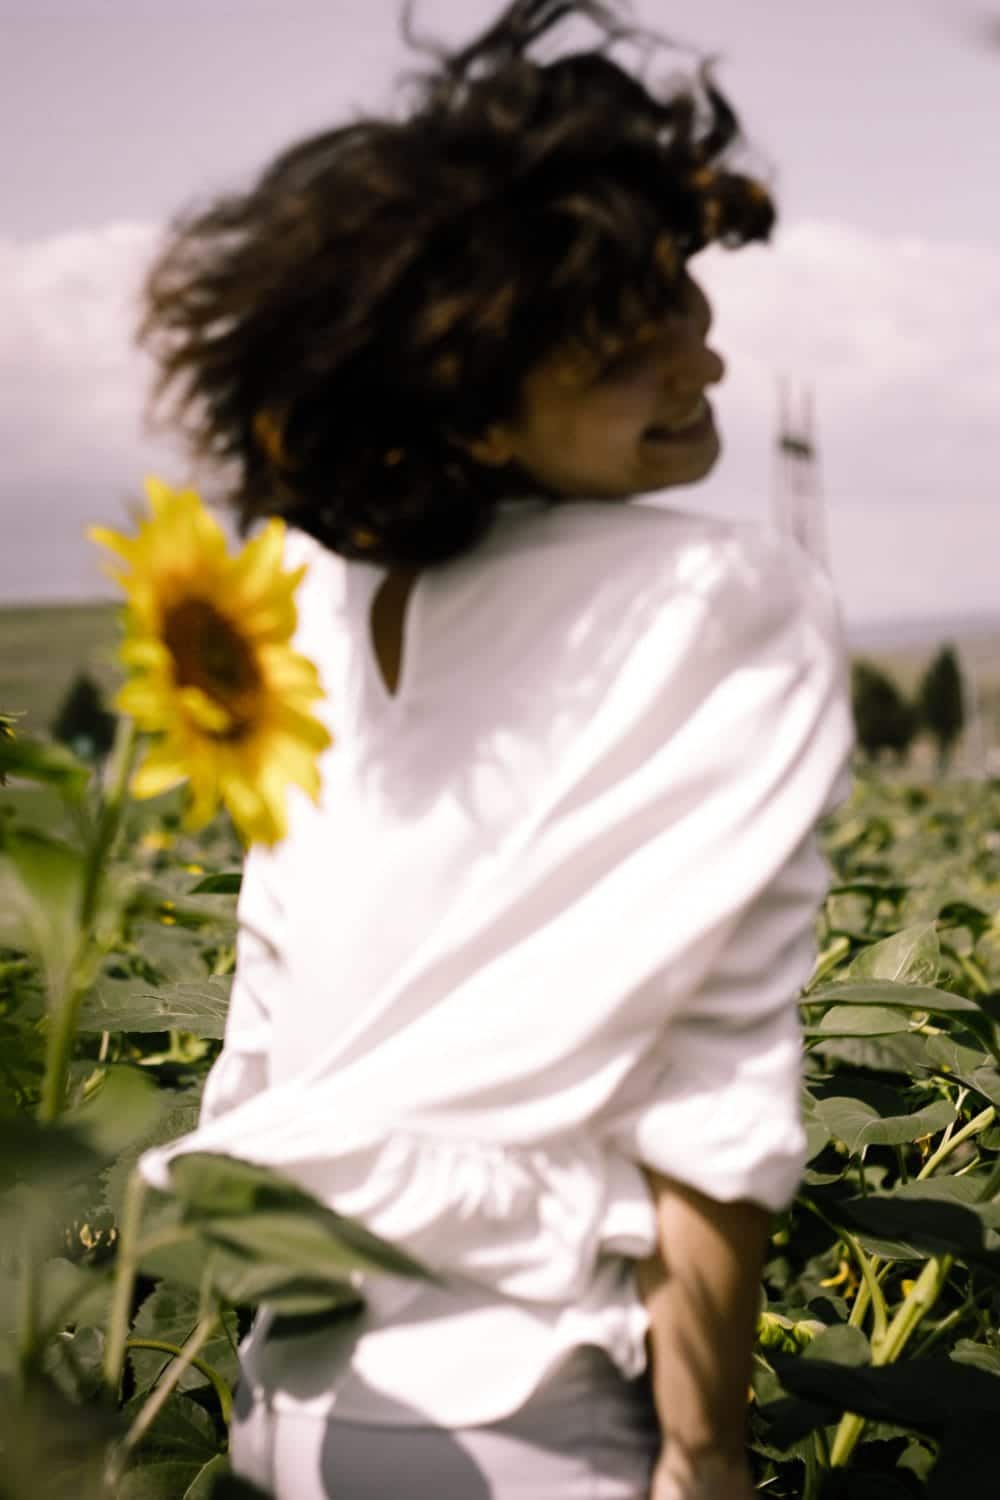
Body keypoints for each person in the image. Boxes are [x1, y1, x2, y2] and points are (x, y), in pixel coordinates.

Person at [135, 2, 854, 1496]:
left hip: (295, 1387)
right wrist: (708, 1449)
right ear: (459, 395)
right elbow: (716, 1098)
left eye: (677, 292)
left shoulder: (313, 604)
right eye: (612, 338)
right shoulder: (725, 600)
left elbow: (266, 1007)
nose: (697, 355)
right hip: (527, 1408)